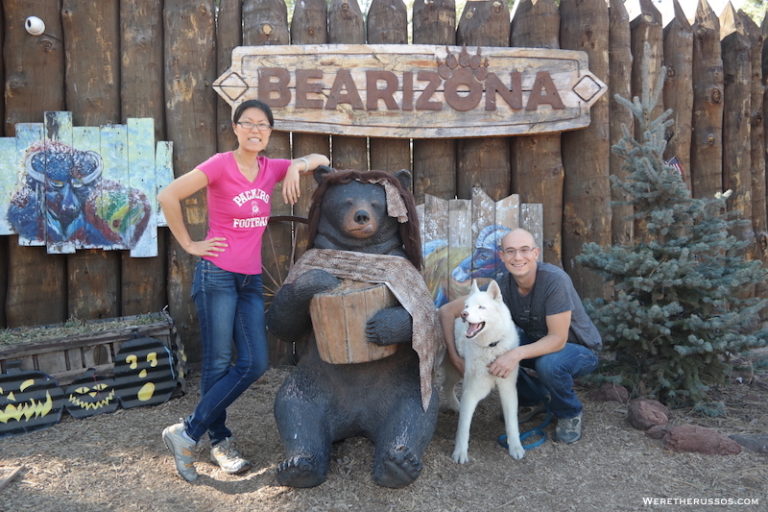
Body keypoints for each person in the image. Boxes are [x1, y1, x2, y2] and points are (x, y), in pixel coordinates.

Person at [158, 99, 330, 482]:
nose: (255, 130)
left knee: (254, 363)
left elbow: (318, 156)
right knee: (218, 363)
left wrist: (296, 168)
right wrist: (190, 244)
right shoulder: (220, 164)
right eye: (248, 123)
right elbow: (168, 195)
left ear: (270, 132)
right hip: (216, 275)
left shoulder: (271, 168)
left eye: (263, 125)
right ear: (235, 128)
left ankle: (186, 432)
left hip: (251, 280)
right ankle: (218, 440)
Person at [439, 227, 601, 444]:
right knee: (492, 347)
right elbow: (447, 311)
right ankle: (534, 396)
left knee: (548, 364)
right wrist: (455, 356)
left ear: (535, 253)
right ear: (502, 256)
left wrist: (514, 355)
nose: (518, 257)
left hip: (578, 349)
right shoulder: (502, 285)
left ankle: (569, 413)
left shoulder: (555, 281)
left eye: (524, 250)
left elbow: (558, 339)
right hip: (538, 344)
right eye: (511, 251)